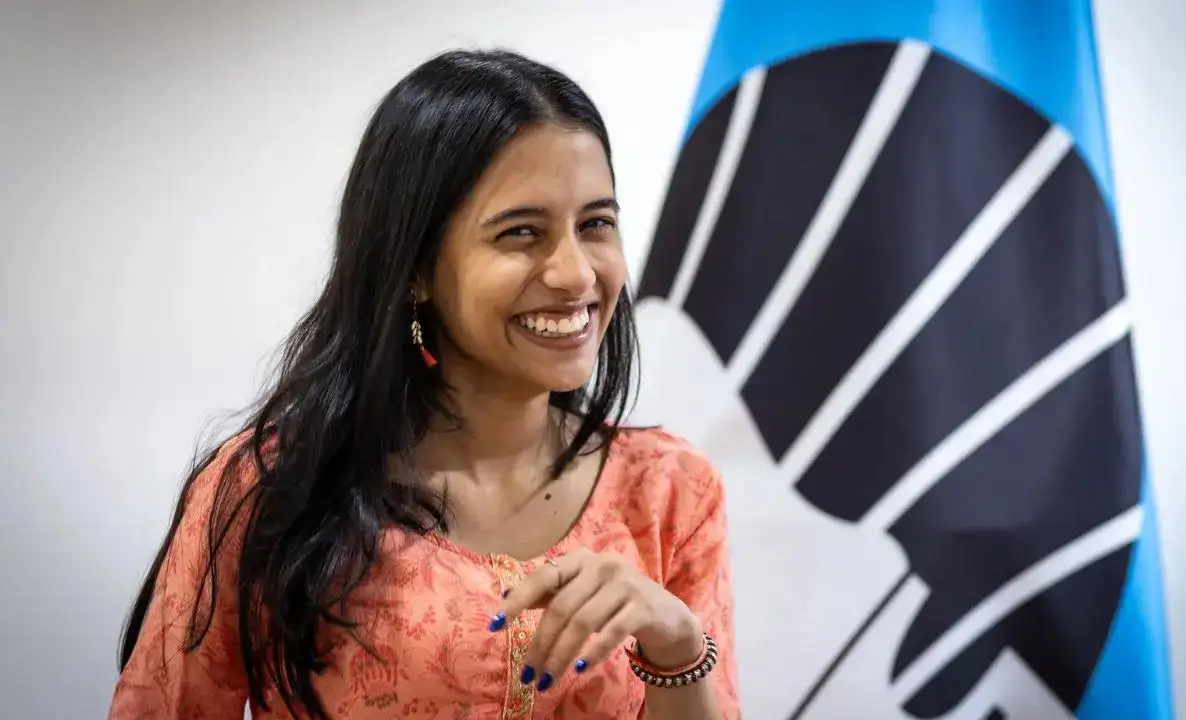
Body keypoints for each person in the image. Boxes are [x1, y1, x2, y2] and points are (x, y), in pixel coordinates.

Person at [108, 49, 738, 719]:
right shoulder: (276, 488)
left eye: (596, 225)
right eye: (521, 233)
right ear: (414, 267)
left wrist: (676, 649)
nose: (576, 274)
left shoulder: (669, 489)